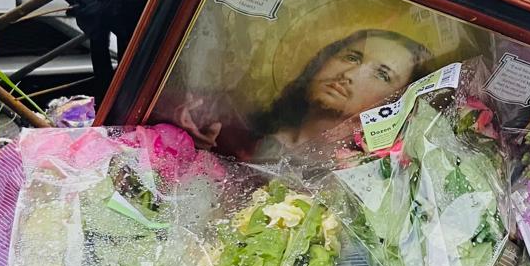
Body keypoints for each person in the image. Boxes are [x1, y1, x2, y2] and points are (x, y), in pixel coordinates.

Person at [160, 28, 431, 161]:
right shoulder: (235, 134)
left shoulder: (365, 175)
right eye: (351, 56)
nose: (349, 74)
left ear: (395, 101)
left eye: (382, 74)